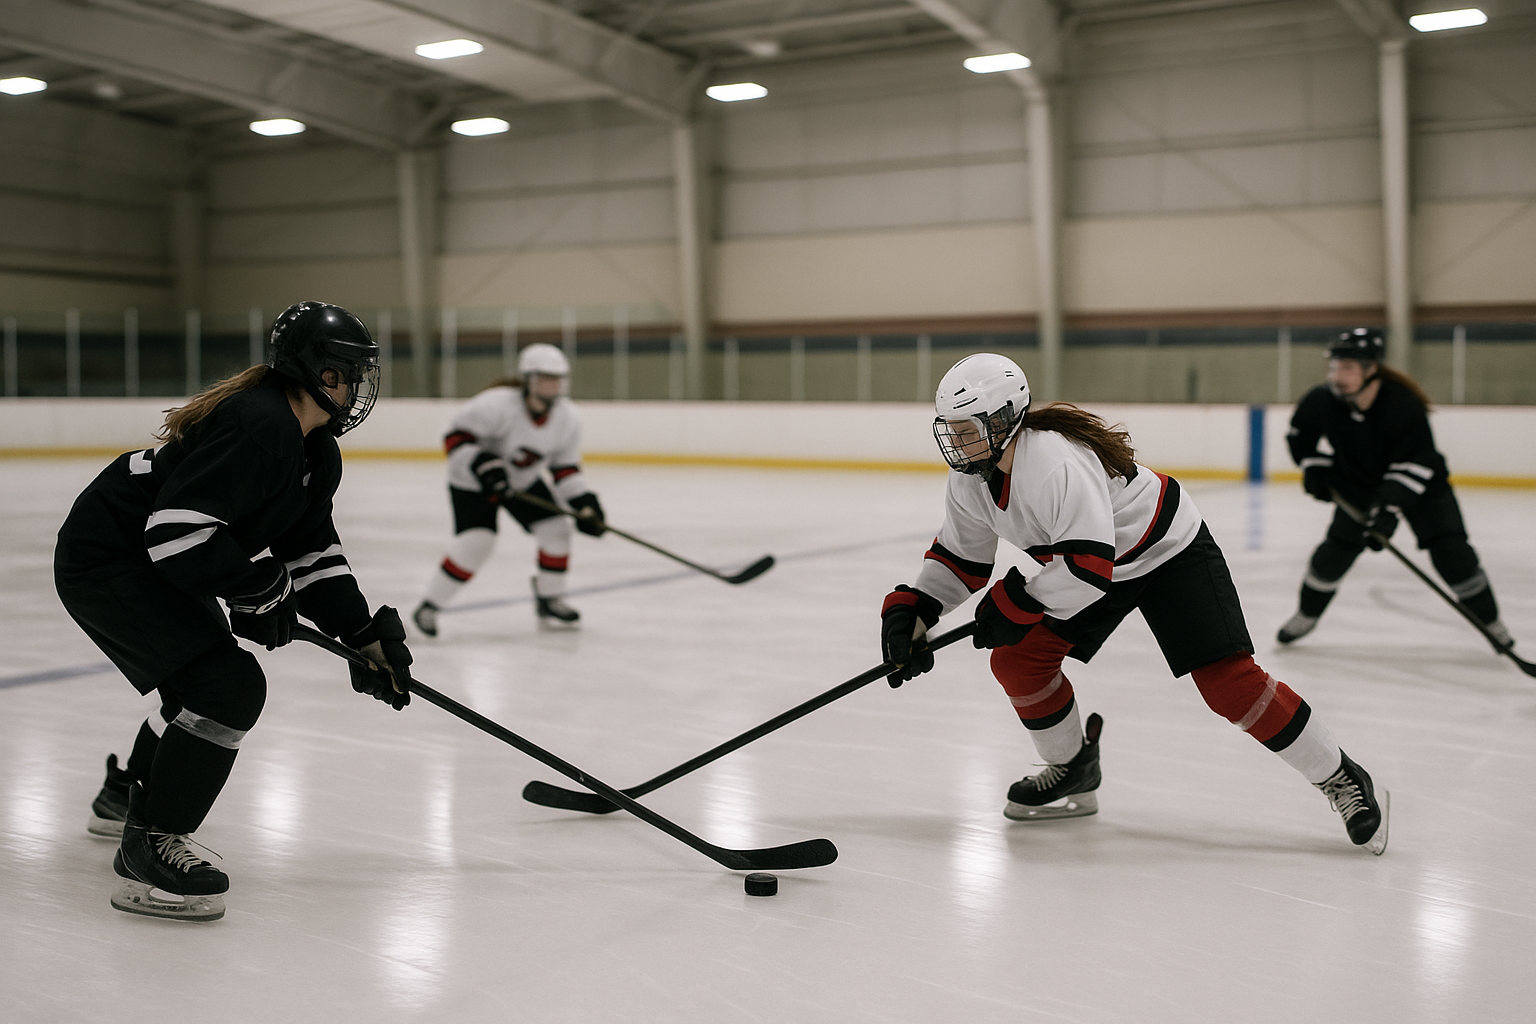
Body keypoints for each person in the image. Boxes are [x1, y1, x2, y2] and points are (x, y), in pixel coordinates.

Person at [879, 353, 1389, 853]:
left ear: (1007, 419)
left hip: (1167, 550)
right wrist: (917, 608)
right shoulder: (972, 479)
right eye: (952, 428)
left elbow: (1085, 569)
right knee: (1017, 658)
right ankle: (1074, 768)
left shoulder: (1053, 460)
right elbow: (961, 558)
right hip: (1097, 566)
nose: (958, 441)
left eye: (970, 428)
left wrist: (1017, 604)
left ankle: (1340, 776)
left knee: (1229, 684)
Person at [56, 302, 414, 922]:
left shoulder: (314, 449)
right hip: (109, 559)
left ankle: (127, 796)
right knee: (225, 687)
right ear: (311, 370)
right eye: (345, 372)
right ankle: (150, 845)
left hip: (148, 559)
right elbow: (176, 535)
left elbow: (311, 548)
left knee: (199, 686)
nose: (355, 387)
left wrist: (362, 634)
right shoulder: (260, 425)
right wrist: (257, 587)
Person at [1278, 327, 1512, 647]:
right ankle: (1306, 614)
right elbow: (1299, 438)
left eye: (1347, 367)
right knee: (1332, 556)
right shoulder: (1321, 401)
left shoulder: (1402, 404)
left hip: (1423, 489)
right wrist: (1315, 468)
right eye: (1334, 367)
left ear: (1371, 369)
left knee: (1452, 554)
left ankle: (1491, 622)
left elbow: (1417, 461)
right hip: (1360, 487)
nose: (1337, 375)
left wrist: (1388, 509)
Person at [412, 342, 605, 635]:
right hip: (471, 481)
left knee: (556, 529)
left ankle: (549, 597)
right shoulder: (497, 404)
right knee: (478, 542)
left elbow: (564, 469)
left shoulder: (568, 419)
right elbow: (454, 438)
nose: (553, 386)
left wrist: (584, 503)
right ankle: (429, 606)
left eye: (558, 379)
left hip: (520, 481)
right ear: (528, 379)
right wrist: (483, 464)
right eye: (545, 378)